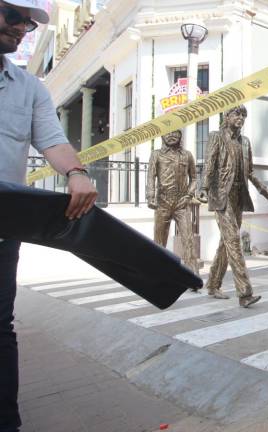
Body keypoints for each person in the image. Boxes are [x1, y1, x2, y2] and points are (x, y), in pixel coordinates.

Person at [0, 2, 98, 430]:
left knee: (1, 327)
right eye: (12, 16)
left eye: (28, 22)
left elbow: (53, 141)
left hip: (3, 228)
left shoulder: (29, 88)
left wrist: (76, 172)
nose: (22, 27)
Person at [199, 105, 268, 308]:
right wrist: (203, 187)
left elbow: (249, 172)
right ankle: (245, 293)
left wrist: (263, 189)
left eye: (244, 115)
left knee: (226, 242)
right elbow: (209, 164)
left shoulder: (245, 142)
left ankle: (213, 284)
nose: (240, 118)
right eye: (236, 114)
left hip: (239, 196)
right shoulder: (216, 137)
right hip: (221, 196)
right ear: (227, 116)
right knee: (233, 240)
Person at [146, 129, 197, 276]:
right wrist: (150, 196)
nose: (171, 135)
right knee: (159, 241)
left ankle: (192, 275)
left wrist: (188, 195)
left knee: (188, 239)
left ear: (181, 135)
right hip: (163, 202)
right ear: (162, 135)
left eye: (175, 132)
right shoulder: (156, 155)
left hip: (182, 202)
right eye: (168, 132)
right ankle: (157, 273)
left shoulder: (187, 155)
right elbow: (151, 176)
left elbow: (194, 178)